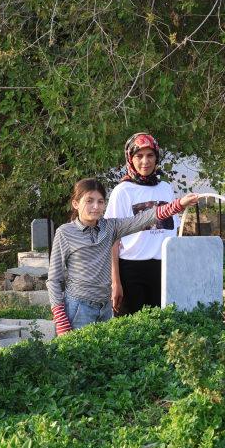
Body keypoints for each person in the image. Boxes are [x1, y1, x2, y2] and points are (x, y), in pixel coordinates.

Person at [49, 177, 200, 335]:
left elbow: (143, 219)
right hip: (79, 309)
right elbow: (54, 279)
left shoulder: (110, 227)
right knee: (76, 356)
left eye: (100, 202)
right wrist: (61, 320)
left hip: (105, 308)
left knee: (103, 357)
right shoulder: (65, 233)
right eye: (89, 201)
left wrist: (179, 204)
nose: (96, 206)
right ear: (75, 203)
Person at [105, 132, 180, 316]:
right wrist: (115, 282)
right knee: (133, 331)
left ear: (157, 157)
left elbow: (174, 232)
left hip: (163, 269)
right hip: (131, 271)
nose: (145, 161)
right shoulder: (122, 191)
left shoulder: (165, 189)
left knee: (163, 328)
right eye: (139, 156)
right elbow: (112, 239)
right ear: (130, 158)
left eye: (150, 155)